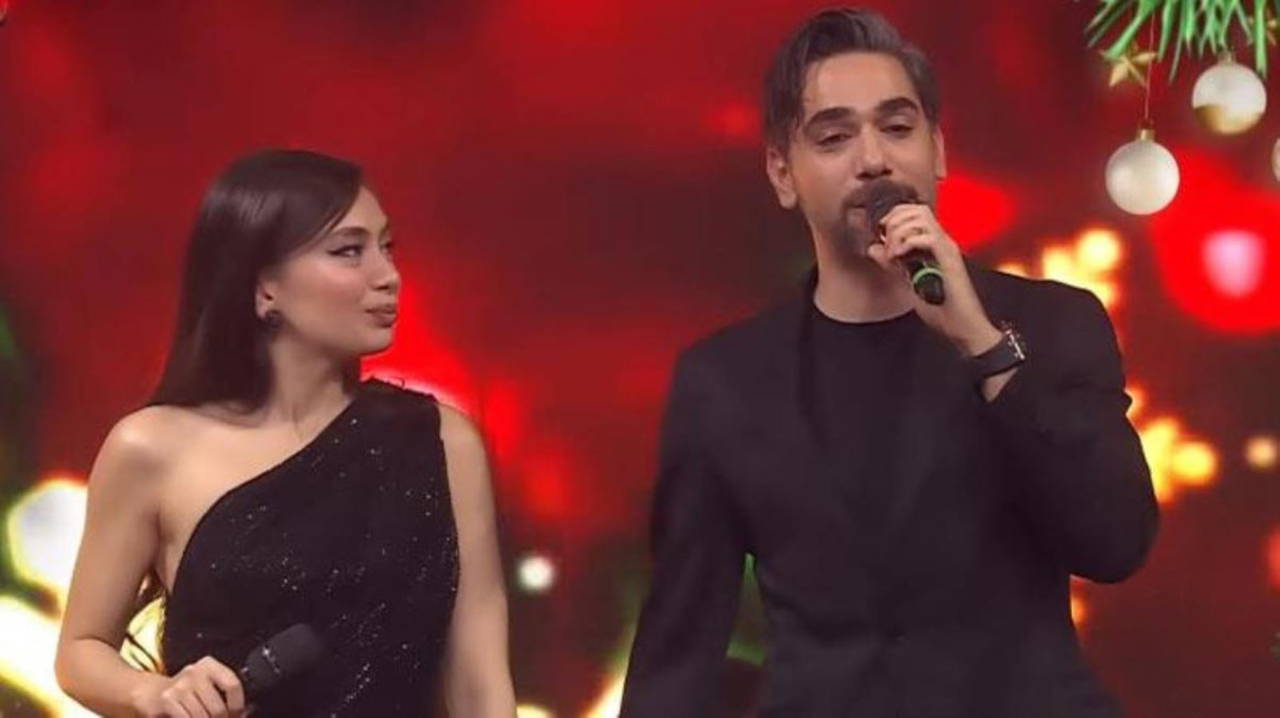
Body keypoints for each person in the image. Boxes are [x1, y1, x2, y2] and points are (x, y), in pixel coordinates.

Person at [620, 9, 1157, 717]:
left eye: (898, 128)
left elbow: (1115, 542)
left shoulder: (1052, 324)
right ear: (783, 172)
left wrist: (981, 343)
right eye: (834, 137)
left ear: (938, 151)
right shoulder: (725, 382)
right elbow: (679, 650)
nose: (873, 159)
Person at [54, 149, 517, 717]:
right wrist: (154, 692)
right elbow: (80, 650)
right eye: (349, 252)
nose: (388, 276)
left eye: (387, 247)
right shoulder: (151, 448)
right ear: (264, 287)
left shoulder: (441, 443)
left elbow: (480, 685)